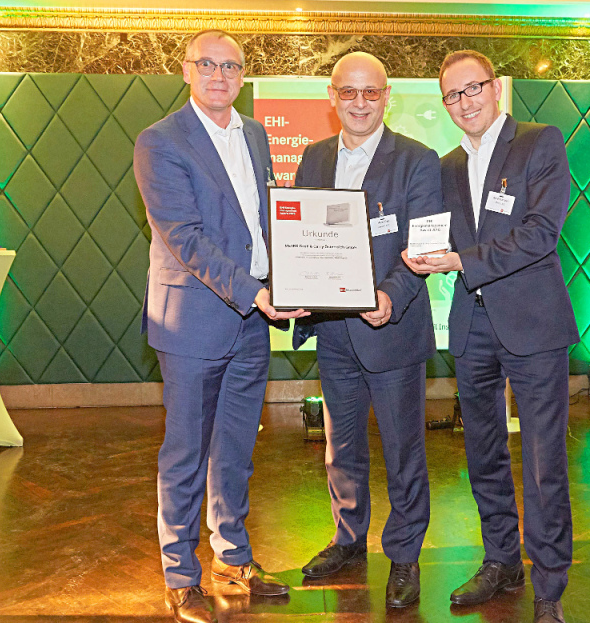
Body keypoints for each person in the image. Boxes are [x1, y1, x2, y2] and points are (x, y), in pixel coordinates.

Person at [133, 29, 308, 623]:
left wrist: (292, 277)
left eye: (230, 66)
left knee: (234, 447)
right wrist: (256, 292)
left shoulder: (254, 134)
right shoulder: (160, 141)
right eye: (206, 64)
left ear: (243, 75)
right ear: (186, 70)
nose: (218, 75)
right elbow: (184, 237)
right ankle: (181, 576)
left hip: (251, 320)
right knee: (186, 453)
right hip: (193, 320)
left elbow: (262, 223)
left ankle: (232, 560)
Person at [402, 49, 579, 623]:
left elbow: (541, 232)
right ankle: (501, 561)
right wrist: (416, 253)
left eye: (473, 88)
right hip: (471, 325)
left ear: (495, 87)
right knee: (482, 453)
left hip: (533, 323)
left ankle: (549, 586)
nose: (465, 101)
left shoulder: (539, 141)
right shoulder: (447, 165)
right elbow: (436, 233)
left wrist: (460, 260)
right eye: (453, 95)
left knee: (544, 461)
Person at [292, 51, 444, 608]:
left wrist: (391, 295)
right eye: (349, 92)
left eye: (371, 92)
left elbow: (424, 247)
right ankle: (349, 540)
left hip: (391, 331)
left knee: (404, 452)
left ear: (387, 97)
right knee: (341, 449)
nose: (360, 103)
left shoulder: (418, 160)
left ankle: (404, 554)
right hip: (334, 333)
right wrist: (295, 287)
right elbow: (301, 238)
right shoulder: (313, 157)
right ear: (332, 97)